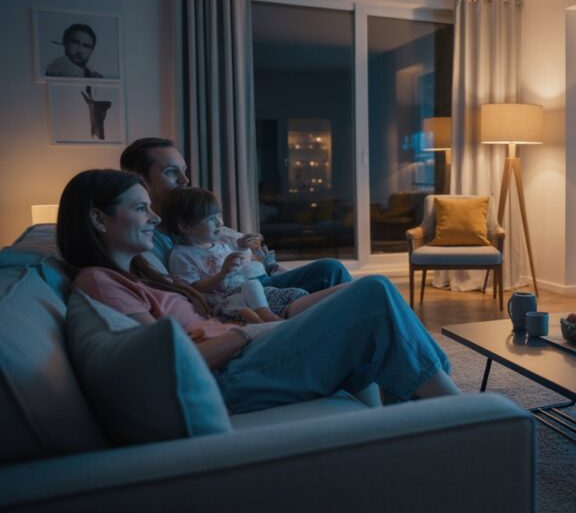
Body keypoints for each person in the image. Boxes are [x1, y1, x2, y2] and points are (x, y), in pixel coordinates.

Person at [57, 169, 458, 412]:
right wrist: (251, 332)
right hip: (233, 374)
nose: (155, 218)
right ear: (99, 218)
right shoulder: (100, 282)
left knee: (376, 297)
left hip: (244, 349)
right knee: (372, 295)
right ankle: (461, 414)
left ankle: (423, 416)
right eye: (140, 208)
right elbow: (165, 366)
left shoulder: (140, 272)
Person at [120, 138, 351, 295]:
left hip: (258, 280)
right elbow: (181, 293)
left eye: (184, 170)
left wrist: (259, 257)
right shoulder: (146, 240)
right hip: (239, 296)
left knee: (334, 273)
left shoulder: (205, 223)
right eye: (171, 172)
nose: (185, 180)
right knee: (338, 274)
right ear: (140, 179)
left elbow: (257, 258)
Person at [163, 187, 308, 323]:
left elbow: (239, 268)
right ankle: (266, 317)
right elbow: (195, 288)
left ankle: (257, 316)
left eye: (219, 215)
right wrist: (223, 273)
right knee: (252, 285)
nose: (220, 222)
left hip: (249, 293)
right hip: (225, 302)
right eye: (211, 219)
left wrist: (243, 247)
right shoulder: (181, 255)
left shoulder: (221, 245)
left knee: (298, 293)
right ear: (185, 227)